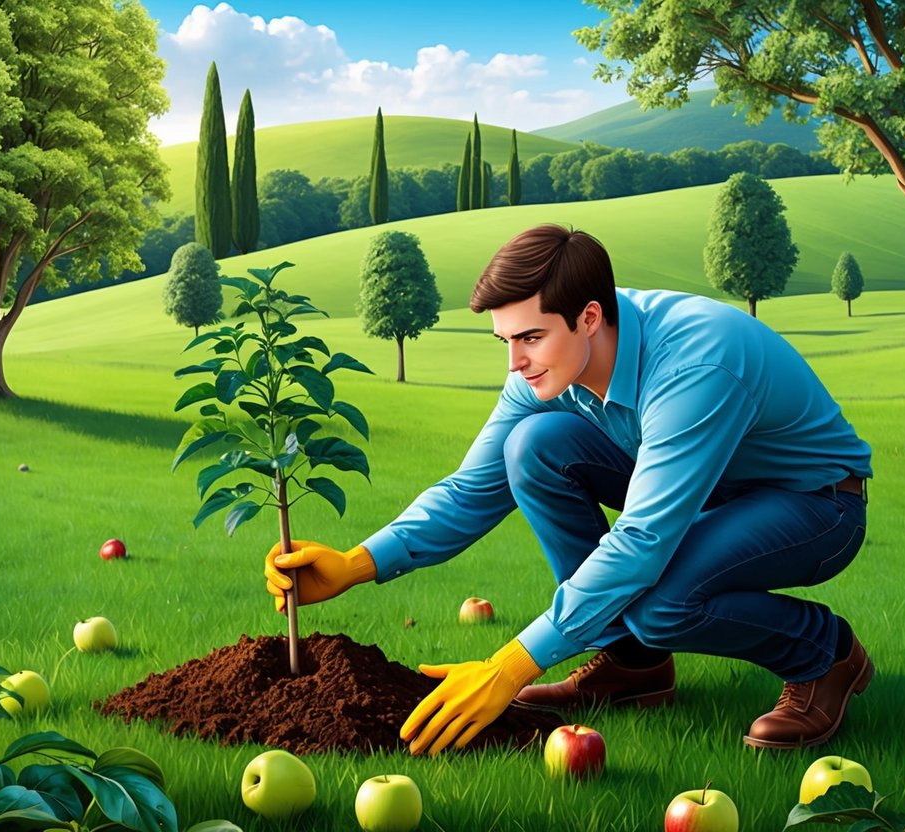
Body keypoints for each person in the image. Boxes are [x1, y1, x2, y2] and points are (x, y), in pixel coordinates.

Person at [264, 224, 873, 757]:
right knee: (532, 447)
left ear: (587, 317)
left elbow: (641, 543)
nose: (515, 364)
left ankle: (825, 655)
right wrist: (355, 563)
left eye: (529, 338)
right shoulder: (547, 367)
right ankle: (633, 664)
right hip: (708, 490)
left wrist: (509, 666)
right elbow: (472, 488)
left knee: (660, 603)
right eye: (505, 341)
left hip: (815, 504)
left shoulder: (697, 363)